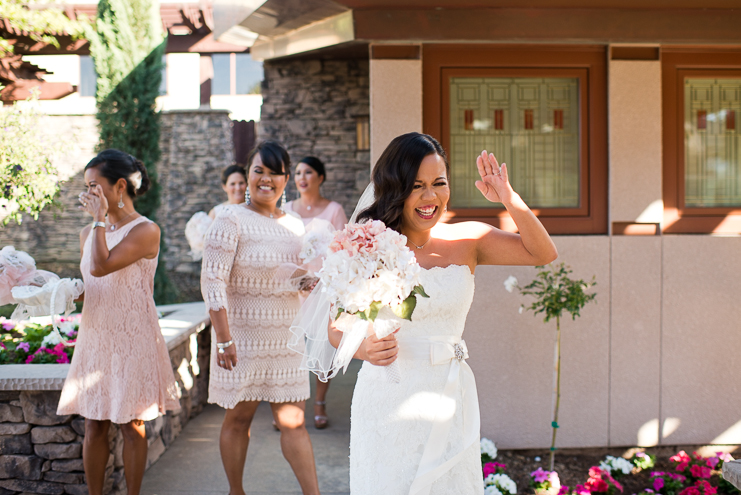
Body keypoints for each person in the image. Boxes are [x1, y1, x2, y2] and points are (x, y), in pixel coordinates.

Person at [330, 133, 558, 494]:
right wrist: (362, 349)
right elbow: (334, 327)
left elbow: (542, 253)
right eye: (416, 186)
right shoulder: (368, 244)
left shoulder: (470, 239)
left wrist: (509, 199)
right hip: (388, 399)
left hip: (450, 397)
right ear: (395, 188)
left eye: (439, 183)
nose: (430, 197)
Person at [200, 141, 321, 495]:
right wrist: (223, 339)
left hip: (285, 339)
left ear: (286, 179)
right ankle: (236, 492)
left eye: (274, 173)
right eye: (258, 171)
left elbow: (291, 277)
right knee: (239, 419)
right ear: (248, 175)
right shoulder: (230, 219)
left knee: (294, 422)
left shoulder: (297, 225)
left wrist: (309, 282)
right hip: (240, 339)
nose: (265, 179)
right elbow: (212, 282)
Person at [57, 149, 180, 495]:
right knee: (93, 423)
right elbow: (93, 282)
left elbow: (101, 265)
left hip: (132, 336)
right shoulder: (88, 233)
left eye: (94, 186)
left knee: (131, 423)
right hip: (96, 335)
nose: (88, 194)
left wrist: (98, 220)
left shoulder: (146, 231)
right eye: (86, 187)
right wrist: (62, 290)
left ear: (120, 186)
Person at [284, 156, 347, 429]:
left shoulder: (333, 210)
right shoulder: (286, 209)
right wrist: (298, 280)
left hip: (324, 289)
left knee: (324, 348)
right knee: (291, 351)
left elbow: (344, 250)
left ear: (320, 177)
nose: (301, 177)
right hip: (293, 289)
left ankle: (320, 402)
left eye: (308, 172)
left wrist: (322, 282)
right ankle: (288, 406)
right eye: (297, 172)